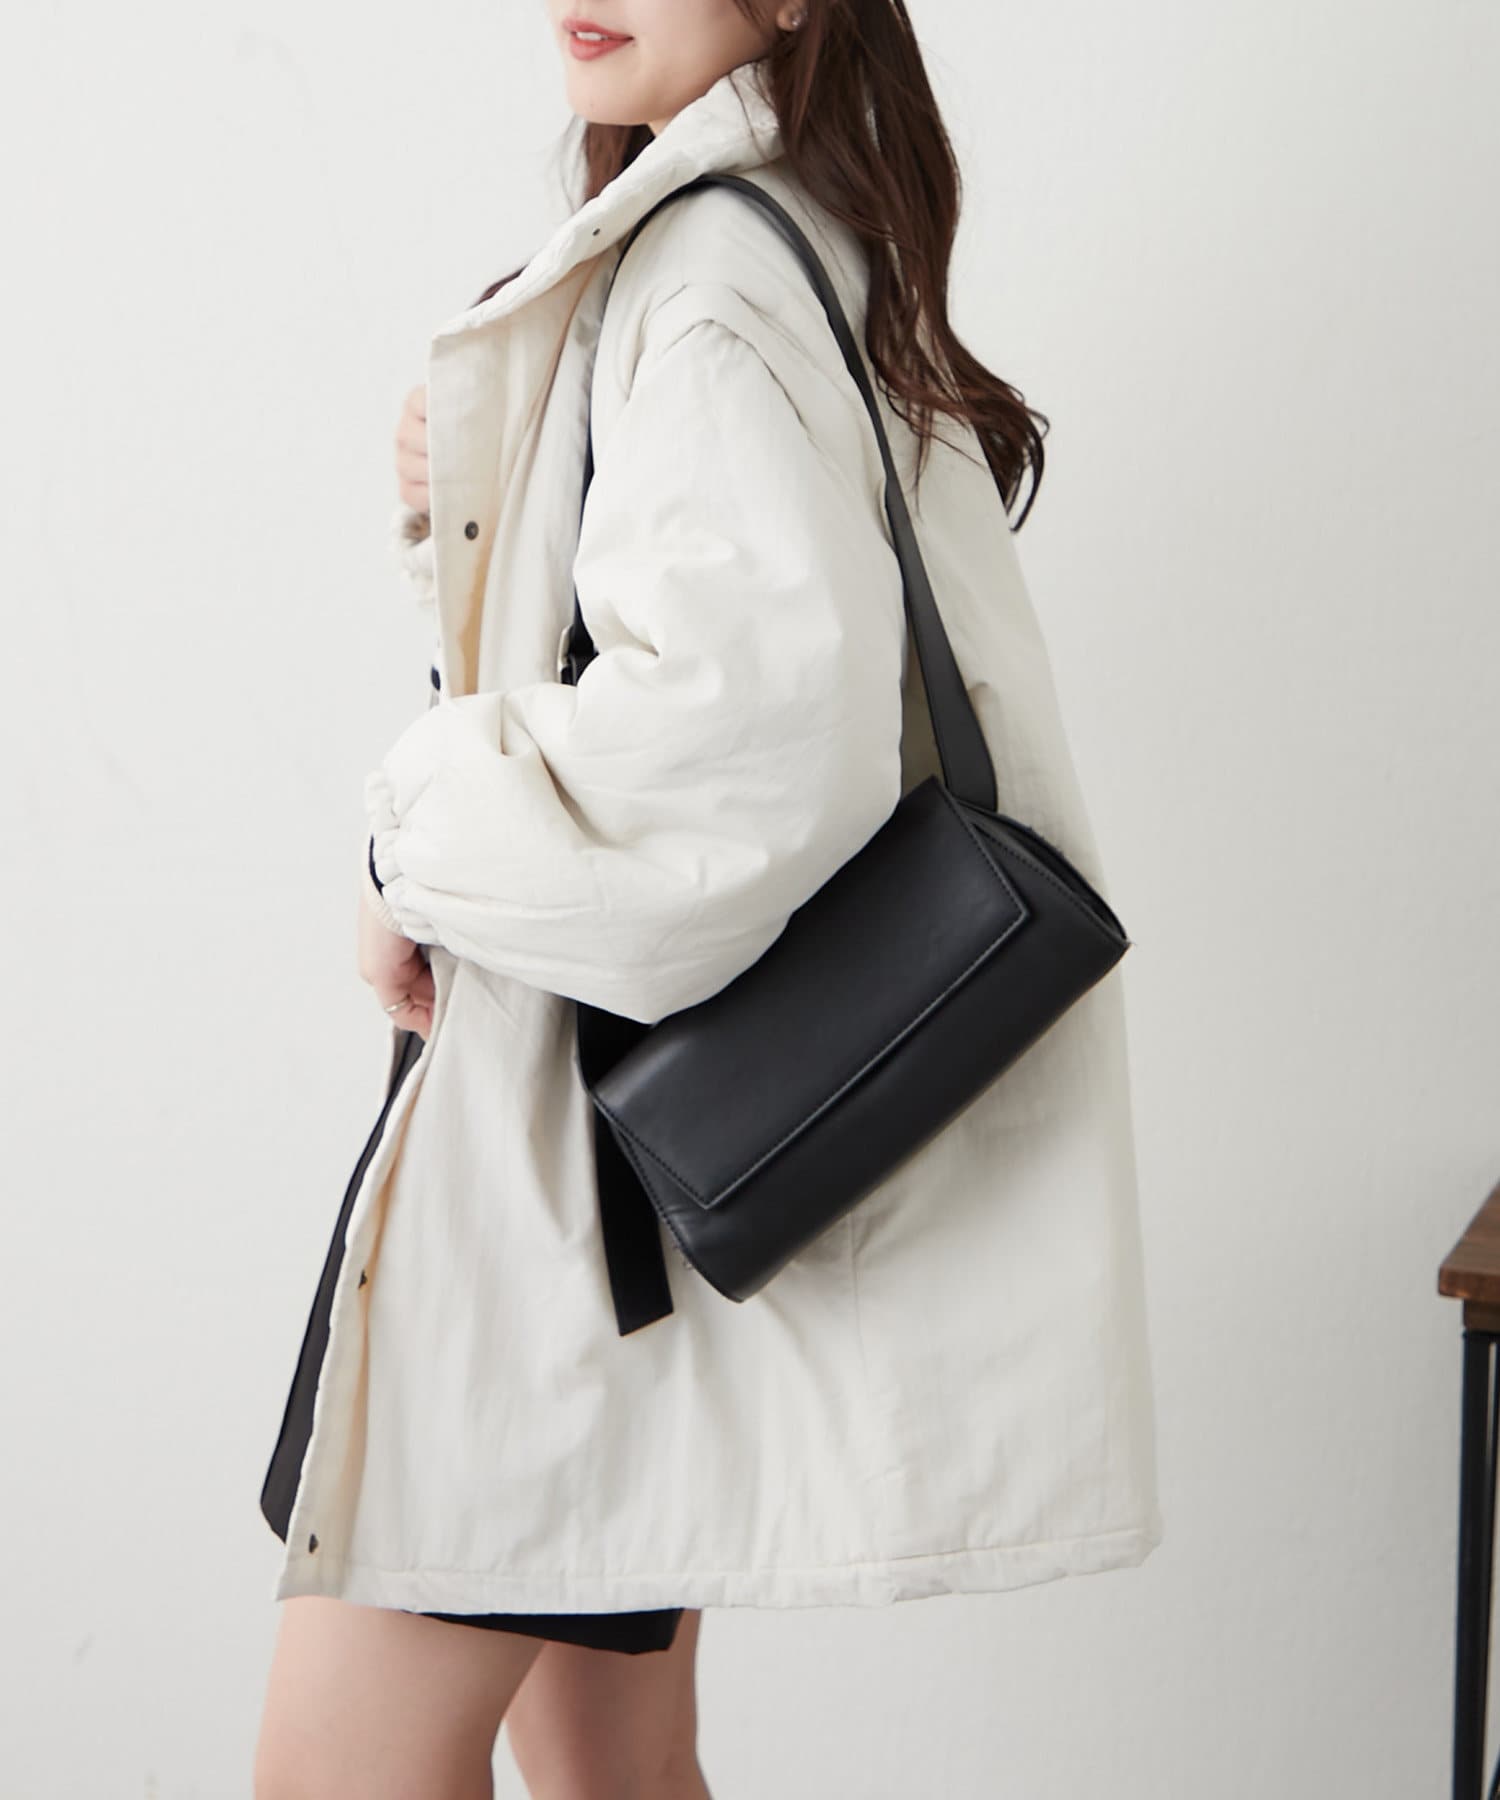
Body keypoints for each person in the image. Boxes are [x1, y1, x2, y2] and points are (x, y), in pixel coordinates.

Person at [254, 5, 1164, 1795]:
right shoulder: (779, 234)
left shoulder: (710, 279)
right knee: (615, 1768)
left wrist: (402, 841)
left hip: (565, 1201)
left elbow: (726, 765)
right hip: (629, 1191)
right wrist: (492, 483)